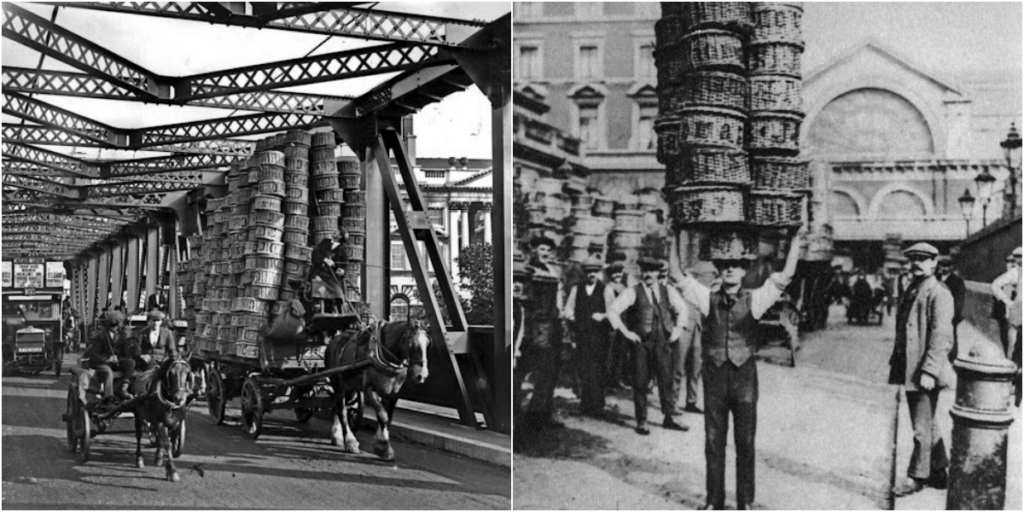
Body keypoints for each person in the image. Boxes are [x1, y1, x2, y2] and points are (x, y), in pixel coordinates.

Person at [673, 228, 804, 510]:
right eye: (724, 265)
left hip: (744, 378)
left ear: (745, 270)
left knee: (745, 442)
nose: (730, 269)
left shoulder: (755, 299)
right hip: (715, 377)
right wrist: (675, 234)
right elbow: (677, 275)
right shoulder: (706, 298)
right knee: (712, 441)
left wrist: (794, 238)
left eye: (736, 265)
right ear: (719, 270)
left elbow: (786, 275)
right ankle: (714, 501)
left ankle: (745, 502)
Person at [889, 242, 954, 496]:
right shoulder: (913, 288)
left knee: (920, 426)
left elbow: (942, 336)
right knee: (927, 421)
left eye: (923, 259)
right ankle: (938, 472)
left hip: (923, 370)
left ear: (934, 263)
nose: (916, 263)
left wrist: (929, 370)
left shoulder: (939, 293)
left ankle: (916, 477)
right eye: (913, 258)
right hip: (910, 366)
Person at [607, 257, 691, 435]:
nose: (648, 274)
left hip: (663, 342)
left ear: (657, 273)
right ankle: (642, 420)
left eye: (652, 271)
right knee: (640, 380)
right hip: (642, 342)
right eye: (645, 271)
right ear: (641, 272)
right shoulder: (632, 291)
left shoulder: (668, 290)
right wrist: (626, 332)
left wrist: (678, 329)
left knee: (666, 379)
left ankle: (670, 417)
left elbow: (683, 309)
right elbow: (613, 311)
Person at [522, 235, 566, 431]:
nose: (545, 253)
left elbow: (558, 298)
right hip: (535, 326)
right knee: (536, 369)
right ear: (533, 251)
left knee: (551, 370)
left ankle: (542, 412)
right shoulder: (528, 271)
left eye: (548, 250)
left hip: (553, 324)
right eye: (542, 250)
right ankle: (531, 416)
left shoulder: (553, 271)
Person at [562, 257, 610, 418]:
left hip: (599, 336)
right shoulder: (577, 289)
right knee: (583, 368)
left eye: (595, 271)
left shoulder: (606, 290)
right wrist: (573, 318)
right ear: (585, 273)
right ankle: (585, 403)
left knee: (597, 369)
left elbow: (613, 312)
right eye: (589, 271)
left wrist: (603, 316)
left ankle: (597, 405)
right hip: (582, 335)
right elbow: (568, 308)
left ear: (599, 272)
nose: (592, 274)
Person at [673, 262, 717, 415]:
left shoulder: (699, 293)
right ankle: (672, 403)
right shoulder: (676, 292)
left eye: (696, 277)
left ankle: (691, 401)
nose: (694, 280)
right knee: (678, 368)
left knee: (695, 367)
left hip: (698, 330)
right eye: (691, 277)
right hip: (683, 330)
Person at [83, 311, 131, 400]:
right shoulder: (101, 336)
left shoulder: (122, 335)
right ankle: (109, 397)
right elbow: (94, 355)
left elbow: (126, 353)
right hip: (100, 363)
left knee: (130, 363)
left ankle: (124, 388)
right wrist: (107, 359)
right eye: (121, 323)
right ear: (118, 323)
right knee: (108, 371)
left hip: (115, 362)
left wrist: (120, 358)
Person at [603, 260, 632, 392]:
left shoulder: (624, 287)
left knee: (621, 353)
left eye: (619, 272)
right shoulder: (609, 288)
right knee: (610, 353)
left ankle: (617, 379)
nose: (617, 275)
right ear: (610, 275)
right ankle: (608, 382)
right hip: (613, 325)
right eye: (614, 273)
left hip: (624, 323)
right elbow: (609, 308)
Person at [309, 227, 350, 314]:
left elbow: (345, 264)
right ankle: (317, 306)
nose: (334, 232)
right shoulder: (325, 242)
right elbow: (315, 253)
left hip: (331, 277)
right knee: (318, 286)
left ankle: (340, 313)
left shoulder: (343, 249)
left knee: (339, 294)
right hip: (319, 273)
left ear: (339, 236)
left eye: (337, 232)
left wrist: (342, 270)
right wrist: (325, 259)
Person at [992, 247, 1022, 359]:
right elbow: (995, 285)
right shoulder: (1016, 272)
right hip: (1017, 314)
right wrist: (1008, 302)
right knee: (1013, 345)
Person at [936, 256, 965, 361]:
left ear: (951, 267)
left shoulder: (957, 281)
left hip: (950, 314)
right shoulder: (935, 278)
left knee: (951, 336)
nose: (943, 268)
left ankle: (951, 357)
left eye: (946, 266)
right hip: (937, 311)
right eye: (941, 265)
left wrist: (956, 315)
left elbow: (960, 299)